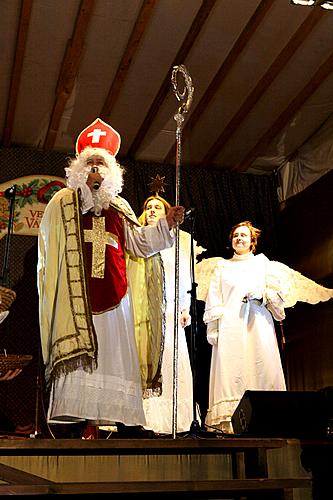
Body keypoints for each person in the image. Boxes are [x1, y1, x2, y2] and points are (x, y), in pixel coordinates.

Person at [37, 118, 185, 438]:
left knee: (116, 358)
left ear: (112, 173)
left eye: (101, 164)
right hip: (77, 302)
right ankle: (72, 420)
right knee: (79, 362)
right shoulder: (63, 204)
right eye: (89, 163)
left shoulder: (119, 209)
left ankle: (125, 422)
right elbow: (48, 247)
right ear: (77, 170)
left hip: (117, 303)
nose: (95, 170)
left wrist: (167, 225)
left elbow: (141, 244)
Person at [196, 220, 333, 434]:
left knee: (259, 364)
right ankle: (229, 422)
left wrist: (262, 296)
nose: (239, 239)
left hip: (257, 324)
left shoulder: (263, 265)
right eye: (235, 236)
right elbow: (215, 299)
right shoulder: (221, 267)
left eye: (243, 236)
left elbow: (277, 301)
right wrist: (214, 328)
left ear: (252, 241)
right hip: (231, 325)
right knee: (232, 368)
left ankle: (268, 418)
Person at [128, 184, 204, 435]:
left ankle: (174, 419)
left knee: (170, 357)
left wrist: (184, 306)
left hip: (168, 308)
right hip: (140, 309)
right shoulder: (135, 235)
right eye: (148, 207)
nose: (151, 210)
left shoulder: (177, 240)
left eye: (157, 207)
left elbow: (182, 277)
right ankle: (142, 418)